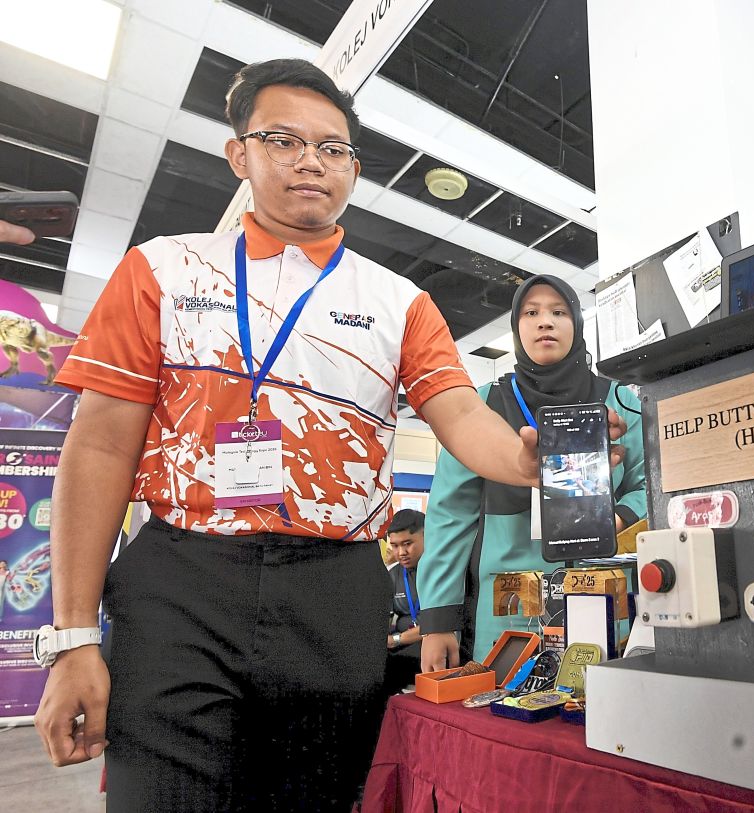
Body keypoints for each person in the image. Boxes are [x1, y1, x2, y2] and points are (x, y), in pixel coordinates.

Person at [31, 58, 625, 812]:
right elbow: (99, 450)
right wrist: (72, 638)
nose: (311, 160)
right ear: (238, 153)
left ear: (352, 166)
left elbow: (462, 415)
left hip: (336, 591)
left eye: (333, 147)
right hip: (185, 582)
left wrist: (525, 458)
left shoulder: (398, 301)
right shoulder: (160, 270)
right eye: (284, 139)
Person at [418, 275, 647, 671]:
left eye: (559, 312)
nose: (546, 322)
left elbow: (650, 487)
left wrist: (619, 515)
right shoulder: (485, 406)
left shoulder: (619, 403)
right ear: (516, 328)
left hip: (601, 593)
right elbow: (450, 514)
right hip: (506, 605)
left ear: (576, 323)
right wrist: (438, 622)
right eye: (531, 313)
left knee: (601, 707)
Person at [385, 508, 424, 691]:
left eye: (407, 543)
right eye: (395, 545)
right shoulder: (392, 575)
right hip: (400, 647)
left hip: (430, 644)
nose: (401, 552)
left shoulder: (442, 572)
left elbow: (441, 624)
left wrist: (396, 639)